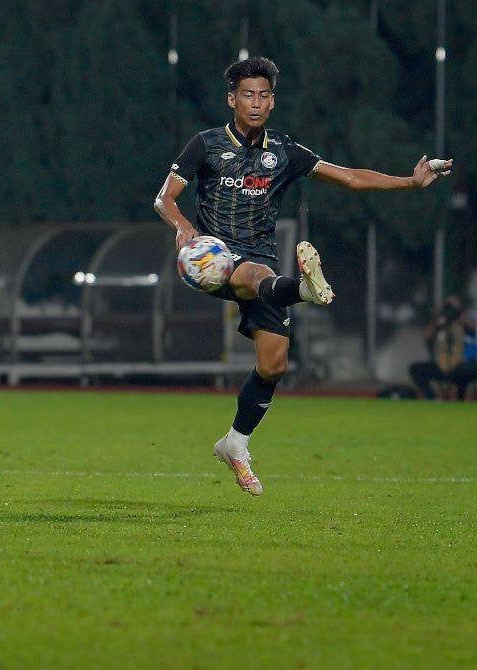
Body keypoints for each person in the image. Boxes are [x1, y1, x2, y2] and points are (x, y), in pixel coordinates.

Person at [153, 56, 453, 497]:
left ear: (272, 102)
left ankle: (235, 443)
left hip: (262, 261)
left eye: (264, 95)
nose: (256, 103)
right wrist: (182, 226)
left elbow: (349, 177)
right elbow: (164, 198)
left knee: (273, 364)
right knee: (252, 275)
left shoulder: (284, 151)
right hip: (213, 258)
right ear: (232, 99)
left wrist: (409, 182)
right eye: (247, 95)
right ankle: (306, 290)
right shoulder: (206, 144)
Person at [409, 296, 477, 400]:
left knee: (464, 369)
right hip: (446, 365)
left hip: (468, 365)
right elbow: (427, 336)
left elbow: (473, 327)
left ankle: (460, 398)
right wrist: (438, 315)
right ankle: (432, 399)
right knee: (416, 369)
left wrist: (460, 311)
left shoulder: (468, 320)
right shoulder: (443, 323)